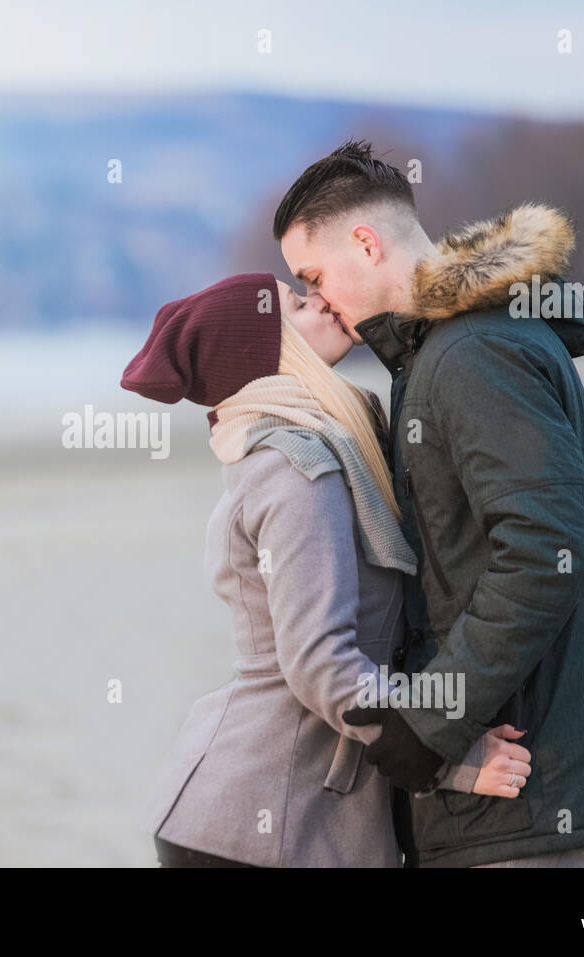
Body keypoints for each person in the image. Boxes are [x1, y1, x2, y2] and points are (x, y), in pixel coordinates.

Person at [273, 140, 584, 867]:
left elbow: (543, 552)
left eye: (313, 275)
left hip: (521, 776)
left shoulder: (469, 354)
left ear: (364, 242)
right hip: (510, 778)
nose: (318, 298)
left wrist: (429, 722)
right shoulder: (442, 352)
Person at [122, 272, 533, 867]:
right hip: (258, 823)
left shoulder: (315, 446)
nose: (319, 300)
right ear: (268, 354)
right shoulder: (296, 470)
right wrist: (453, 755)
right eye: (297, 302)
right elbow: (320, 662)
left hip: (280, 816)